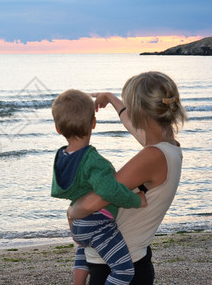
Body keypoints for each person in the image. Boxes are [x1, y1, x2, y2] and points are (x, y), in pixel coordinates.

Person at [67, 71, 188, 284]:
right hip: (134, 260)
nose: (128, 111)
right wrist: (113, 99)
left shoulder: (152, 156)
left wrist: (71, 211)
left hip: (116, 268)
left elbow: (97, 199)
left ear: (140, 110)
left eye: (130, 105)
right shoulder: (169, 147)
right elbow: (132, 125)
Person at [51, 89, 147, 285]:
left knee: (83, 251)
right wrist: (137, 200)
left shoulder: (61, 157)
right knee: (124, 271)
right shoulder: (93, 160)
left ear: (58, 128)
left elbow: (61, 188)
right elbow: (109, 191)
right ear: (93, 123)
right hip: (98, 225)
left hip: (78, 227)